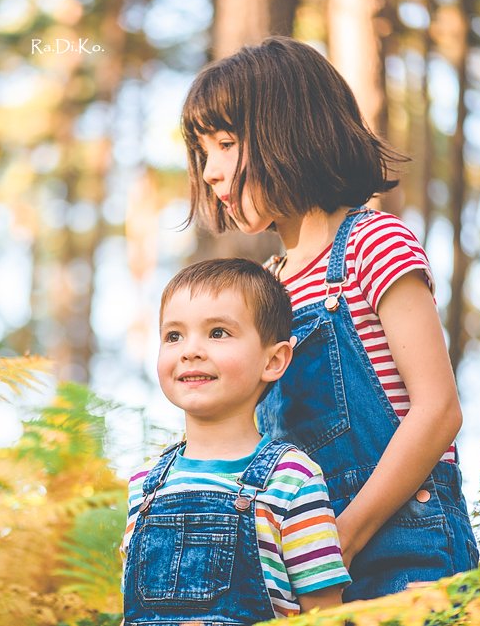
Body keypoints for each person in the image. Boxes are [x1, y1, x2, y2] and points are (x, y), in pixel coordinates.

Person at [180, 36, 479, 602]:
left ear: (290, 131)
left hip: (404, 554)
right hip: (299, 569)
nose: (213, 171)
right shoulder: (261, 293)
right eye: (203, 150)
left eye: (226, 142)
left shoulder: (374, 242)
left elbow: (438, 409)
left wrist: (345, 535)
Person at [121, 258, 350, 625]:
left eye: (217, 333)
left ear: (273, 361)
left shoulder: (291, 479)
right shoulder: (144, 486)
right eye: (173, 336)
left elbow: (325, 614)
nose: (189, 350)